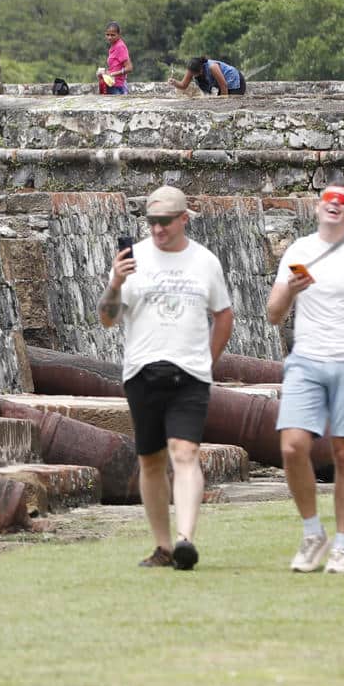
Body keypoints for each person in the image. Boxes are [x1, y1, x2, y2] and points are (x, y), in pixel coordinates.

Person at [98, 185, 234, 571]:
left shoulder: (204, 261)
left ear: (184, 220)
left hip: (189, 373)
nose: (158, 230)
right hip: (142, 369)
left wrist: (208, 361)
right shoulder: (132, 259)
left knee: (185, 452)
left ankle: (185, 539)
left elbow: (223, 315)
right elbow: (107, 319)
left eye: (166, 222)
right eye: (152, 222)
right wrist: (115, 284)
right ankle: (162, 546)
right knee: (151, 460)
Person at [264, 179, 344, 575]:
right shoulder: (300, 251)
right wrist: (289, 288)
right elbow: (273, 313)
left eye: (343, 202)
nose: (334, 205)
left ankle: (342, 544)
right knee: (291, 446)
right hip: (306, 358)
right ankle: (311, 532)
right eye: (328, 200)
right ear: (318, 208)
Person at [170, 55, 246, 97]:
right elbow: (183, 85)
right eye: (191, 73)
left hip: (236, 82)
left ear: (201, 69)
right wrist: (174, 82)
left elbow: (224, 86)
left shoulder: (212, 67)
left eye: (195, 74)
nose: (192, 76)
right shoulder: (191, 69)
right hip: (223, 85)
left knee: (228, 104)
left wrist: (223, 104)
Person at [97, 23, 132, 94]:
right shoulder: (113, 46)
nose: (109, 37)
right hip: (112, 84)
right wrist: (104, 73)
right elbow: (115, 67)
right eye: (107, 35)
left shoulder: (120, 47)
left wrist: (112, 74)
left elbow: (129, 68)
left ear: (119, 35)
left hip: (118, 86)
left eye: (113, 35)